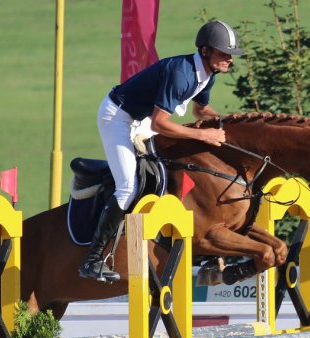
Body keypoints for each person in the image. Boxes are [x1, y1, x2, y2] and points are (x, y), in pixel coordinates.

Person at [79, 19, 244, 282]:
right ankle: (93, 259)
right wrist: (204, 134)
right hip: (117, 117)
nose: (230, 59)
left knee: (175, 165)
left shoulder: (208, 74)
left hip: (142, 118)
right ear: (205, 51)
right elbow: (160, 124)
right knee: (128, 187)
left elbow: (200, 110)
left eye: (231, 54)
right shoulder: (182, 74)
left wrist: (229, 122)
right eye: (224, 53)